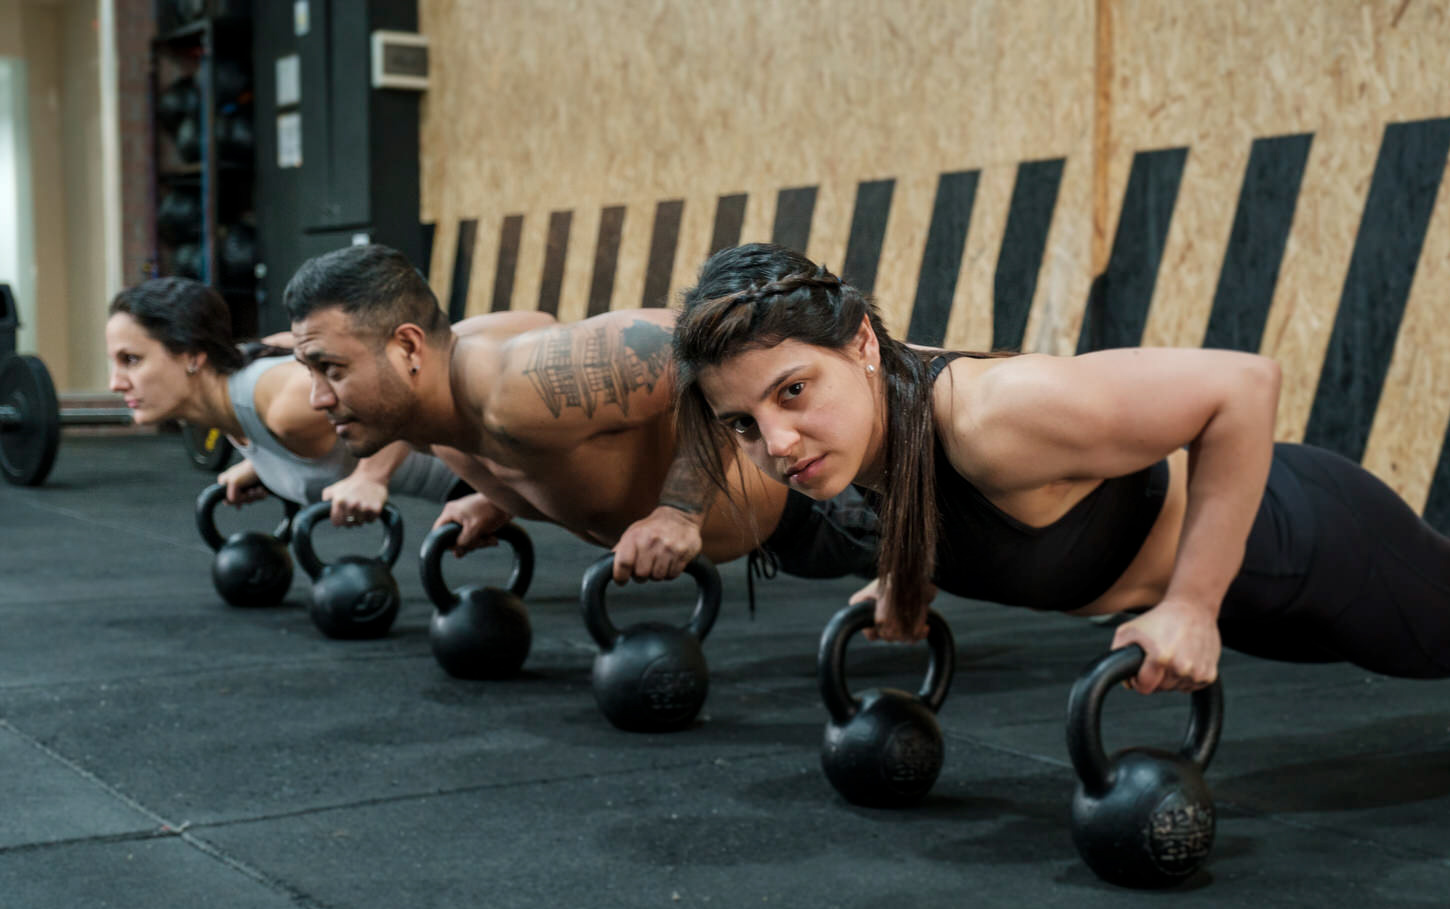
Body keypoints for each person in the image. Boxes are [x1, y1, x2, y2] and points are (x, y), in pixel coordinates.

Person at [669, 242, 1450, 710]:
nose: (779, 441)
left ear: (863, 342)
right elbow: (930, 507)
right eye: (746, 424)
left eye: (794, 392)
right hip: (1251, 597)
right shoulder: (868, 440)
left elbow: (1241, 386)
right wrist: (907, 584)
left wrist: (1192, 604)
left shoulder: (998, 416)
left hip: (1308, 545)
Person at [279, 243, 877, 585]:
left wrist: (678, 511)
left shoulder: (522, 385)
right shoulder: (435, 412)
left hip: (825, 503)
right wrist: (498, 497)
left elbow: (713, 350)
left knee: (962, 568)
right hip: (778, 537)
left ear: (407, 348)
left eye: (330, 369)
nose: (317, 397)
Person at [106, 276, 503, 522]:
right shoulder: (229, 397)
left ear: (193, 356)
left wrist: (371, 477)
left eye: (132, 360)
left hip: (496, 468)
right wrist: (264, 464)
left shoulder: (286, 404)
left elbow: (406, 386)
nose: (115, 383)